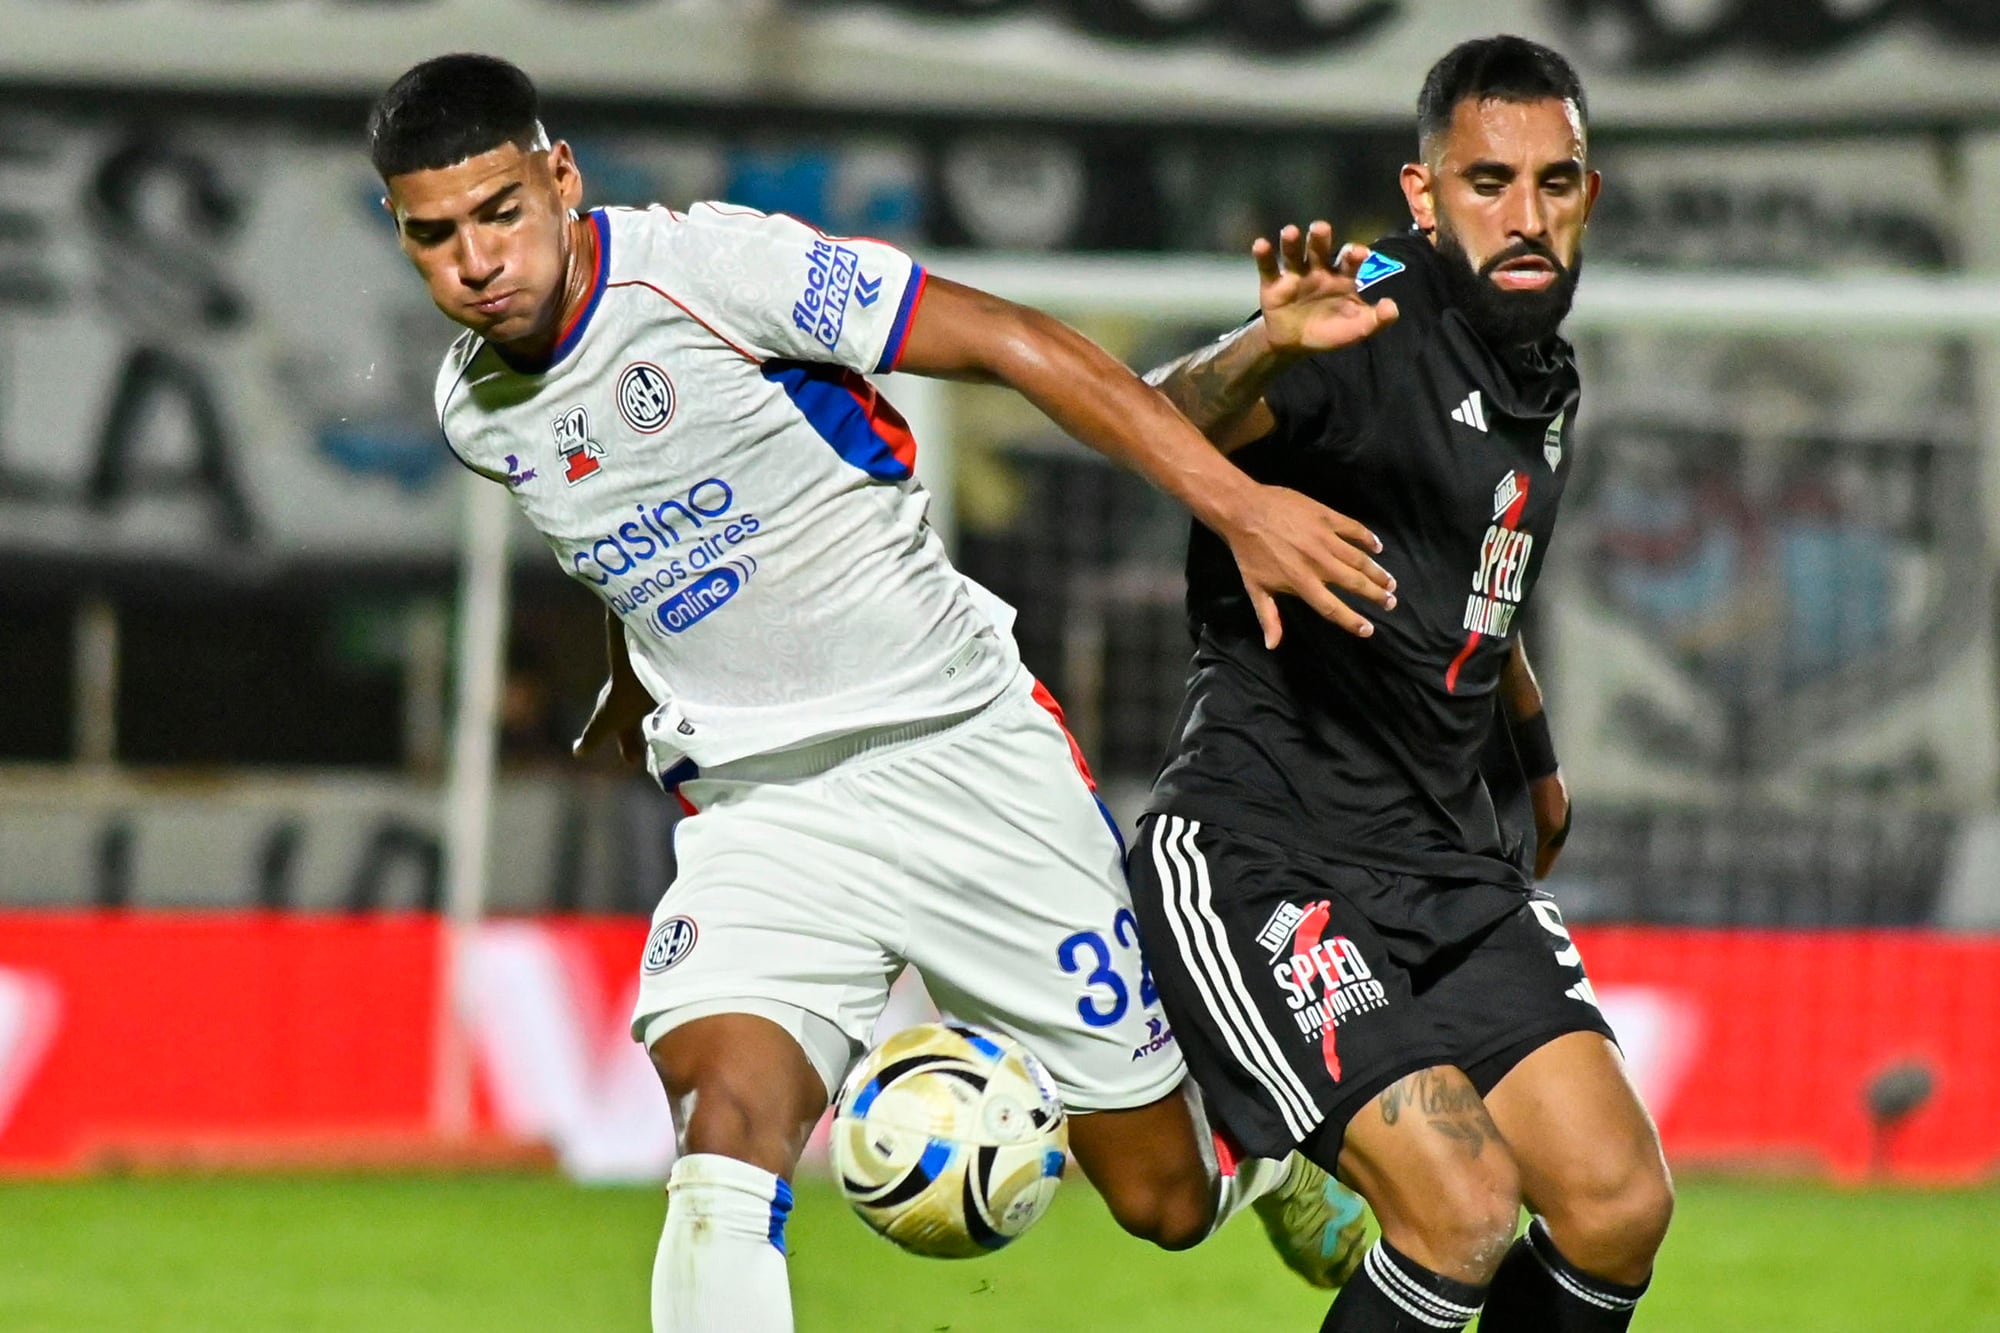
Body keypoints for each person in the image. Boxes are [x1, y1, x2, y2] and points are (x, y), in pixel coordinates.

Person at [368, 52, 1393, 1333]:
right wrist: (639, 669)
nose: (474, 261)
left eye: (499, 212)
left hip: (958, 751)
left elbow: (1014, 341)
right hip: (761, 812)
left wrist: (1238, 505)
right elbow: (648, 522)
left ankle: (1274, 1168)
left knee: (1163, 1199)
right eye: (433, 235)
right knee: (721, 1140)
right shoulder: (478, 411)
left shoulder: (709, 271)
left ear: (560, 177)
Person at [1129, 34, 1674, 1333]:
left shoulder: (1541, 371)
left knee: (1615, 1202)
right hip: (1269, 851)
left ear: (1589, 194)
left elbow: (1482, 588)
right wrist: (1261, 354)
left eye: (1555, 181)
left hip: (1442, 862)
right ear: (1424, 198)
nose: (1527, 214)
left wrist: (1533, 762)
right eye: (1489, 183)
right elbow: (1157, 415)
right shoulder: (1360, 320)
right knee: (1463, 1209)